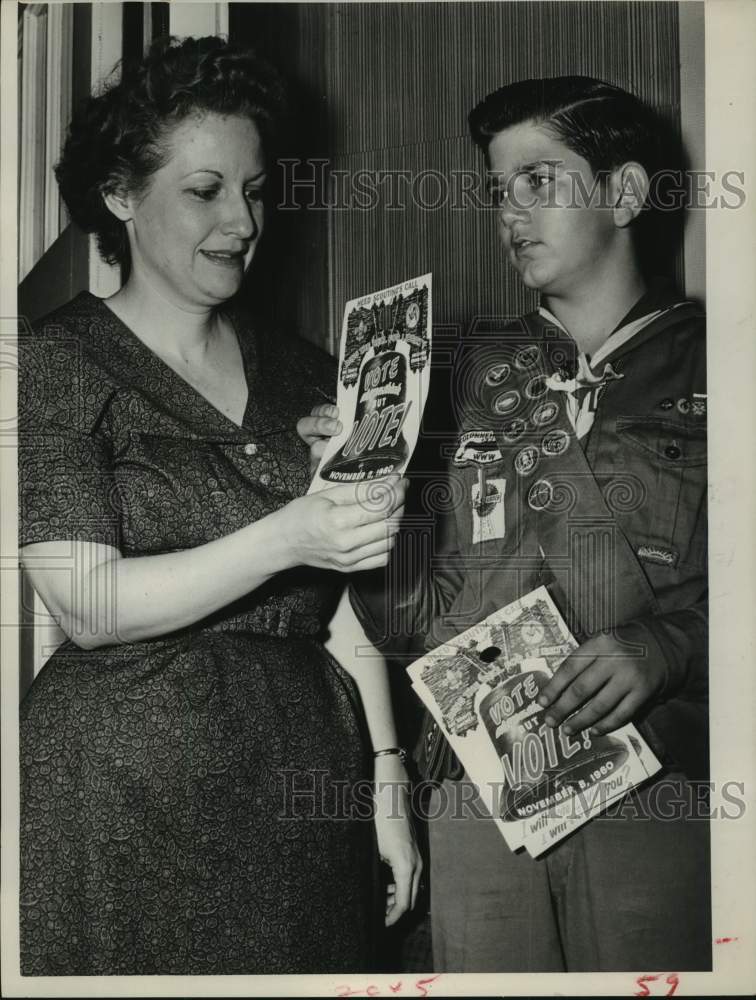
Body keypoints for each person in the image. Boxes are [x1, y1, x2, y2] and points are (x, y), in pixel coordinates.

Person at [18, 35, 421, 976]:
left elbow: (344, 602)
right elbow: (86, 603)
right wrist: (291, 529)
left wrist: (387, 778)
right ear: (121, 196)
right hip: (120, 796)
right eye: (204, 191)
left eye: (253, 189)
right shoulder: (54, 364)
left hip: (302, 780)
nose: (241, 221)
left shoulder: (307, 372)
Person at [300, 76, 709, 972]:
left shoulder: (721, 362)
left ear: (627, 193)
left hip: (663, 774)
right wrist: (357, 499)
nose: (511, 212)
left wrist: (674, 645)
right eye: (498, 190)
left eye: (540, 181)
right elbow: (401, 619)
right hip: (478, 790)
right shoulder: (454, 378)